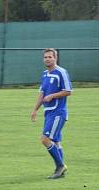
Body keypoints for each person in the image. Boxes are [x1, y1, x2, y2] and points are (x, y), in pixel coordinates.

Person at [31, 48, 72, 180]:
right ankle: (61, 170)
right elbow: (42, 93)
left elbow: (68, 91)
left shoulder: (61, 72)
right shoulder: (44, 74)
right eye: (45, 57)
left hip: (58, 112)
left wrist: (53, 96)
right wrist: (35, 109)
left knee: (45, 139)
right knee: (56, 141)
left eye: (50, 57)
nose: (47, 59)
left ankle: (60, 166)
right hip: (48, 112)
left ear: (56, 58)